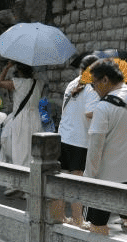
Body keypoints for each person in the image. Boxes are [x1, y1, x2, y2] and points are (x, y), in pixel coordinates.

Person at [83, 58, 127, 235]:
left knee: (97, 226)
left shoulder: (103, 108)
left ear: (105, 80)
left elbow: (95, 150)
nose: (93, 89)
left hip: (106, 178)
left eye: (94, 84)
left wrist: (87, 180)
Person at [53, 54, 100, 226]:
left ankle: (58, 216)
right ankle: (78, 219)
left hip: (63, 137)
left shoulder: (73, 84)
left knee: (61, 179)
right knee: (77, 181)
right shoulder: (92, 89)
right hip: (79, 140)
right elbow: (90, 113)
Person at [0, 61, 44, 197]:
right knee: (32, 153)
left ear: (19, 71)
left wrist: (6, 67)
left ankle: (17, 184)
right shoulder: (38, 83)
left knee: (18, 151)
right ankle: (29, 189)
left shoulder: (17, 83)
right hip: (35, 118)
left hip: (21, 120)